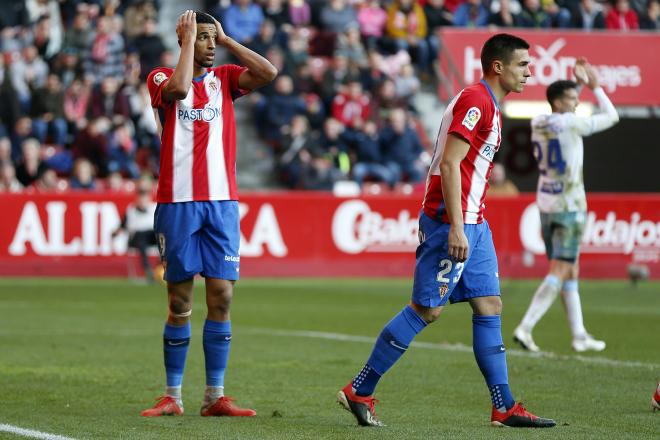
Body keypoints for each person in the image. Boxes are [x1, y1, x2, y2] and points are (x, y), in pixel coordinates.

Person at [336, 33, 555, 428]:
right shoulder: (476, 101)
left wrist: (469, 224)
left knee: (490, 305)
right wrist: (456, 226)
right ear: (498, 66)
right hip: (451, 221)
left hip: (476, 220)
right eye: (523, 64)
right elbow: (450, 165)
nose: (529, 72)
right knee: (427, 309)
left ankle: (503, 407)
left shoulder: (489, 104)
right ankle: (360, 389)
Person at [140, 10, 277, 418]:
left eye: (212, 38)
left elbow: (268, 72)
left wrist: (228, 39)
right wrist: (187, 44)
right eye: (203, 37)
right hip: (177, 202)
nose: (211, 45)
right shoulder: (160, 78)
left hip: (221, 205)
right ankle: (173, 396)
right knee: (180, 300)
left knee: (222, 296)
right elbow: (181, 90)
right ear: (184, 38)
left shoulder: (226, 80)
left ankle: (214, 396)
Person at [513, 59, 619, 353]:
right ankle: (526, 326)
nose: (576, 102)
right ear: (558, 101)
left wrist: (578, 83)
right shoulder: (572, 123)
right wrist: (595, 88)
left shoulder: (538, 121)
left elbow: (564, 111)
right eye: (572, 98)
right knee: (561, 269)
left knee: (570, 269)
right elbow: (612, 116)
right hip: (570, 206)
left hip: (547, 204)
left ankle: (579, 334)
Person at [112, 181, 158, 283]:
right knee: (141, 237)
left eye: (145, 197)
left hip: (151, 236)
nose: (143, 200)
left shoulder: (154, 208)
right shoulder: (131, 210)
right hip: (136, 238)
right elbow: (122, 226)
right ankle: (148, 271)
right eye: (141, 197)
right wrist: (114, 233)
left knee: (161, 237)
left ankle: (161, 267)